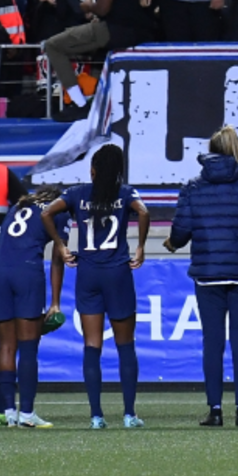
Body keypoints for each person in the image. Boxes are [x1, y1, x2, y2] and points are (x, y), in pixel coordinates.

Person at [164, 127, 238, 427]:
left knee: (212, 343)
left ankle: (215, 410)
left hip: (207, 274)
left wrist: (173, 243)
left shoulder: (192, 187)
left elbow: (180, 231)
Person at [42, 144, 150, 429]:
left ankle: (96, 416)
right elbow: (144, 212)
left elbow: (46, 214)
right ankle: (129, 414)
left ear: (93, 170)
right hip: (117, 273)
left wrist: (61, 244)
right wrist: (139, 247)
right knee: (125, 345)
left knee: (92, 346)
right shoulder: (126, 193)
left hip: (88, 274)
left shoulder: (77, 194)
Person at [0, 185, 68, 429]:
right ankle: (28, 413)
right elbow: (58, 256)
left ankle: (9, 412)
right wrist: (55, 302)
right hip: (26, 270)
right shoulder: (59, 210)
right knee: (29, 345)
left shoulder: (18, 205)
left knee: (6, 345)